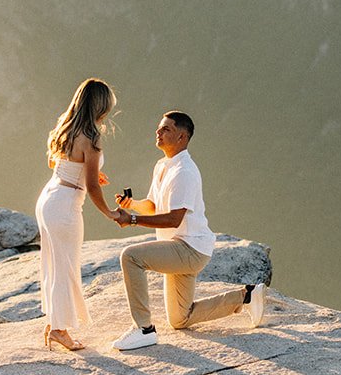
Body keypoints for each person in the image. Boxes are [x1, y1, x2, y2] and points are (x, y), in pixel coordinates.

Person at [110, 111, 264, 351]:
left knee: (131, 257)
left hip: (189, 248)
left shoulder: (185, 171)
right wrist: (133, 205)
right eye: (159, 128)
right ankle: (247, 296)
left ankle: (144, 329)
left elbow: (174, 219)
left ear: (182, 137)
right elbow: (153, 206)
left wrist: (131, 220)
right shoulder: (163, 166)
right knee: (180, 318)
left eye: (166, 129)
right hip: (179, 247)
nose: (158, 132)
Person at [36, 77, 120, 351]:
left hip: (49, 197)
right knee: (66, 268)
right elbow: (92, 187)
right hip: (66, 204)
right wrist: (109, 212)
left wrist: (85, 172)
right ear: (101, 106)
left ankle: (53, 322)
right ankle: (59, 330)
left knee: (53, 264)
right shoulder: (91, 139)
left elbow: (56, 162)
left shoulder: (65, 127)